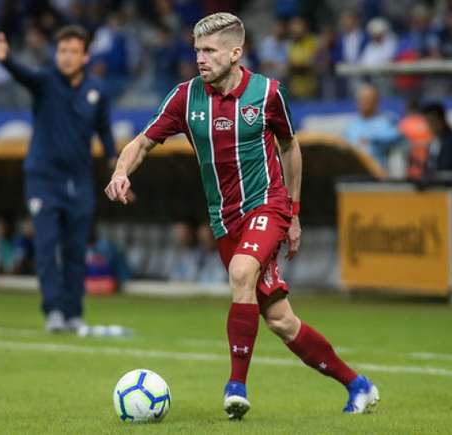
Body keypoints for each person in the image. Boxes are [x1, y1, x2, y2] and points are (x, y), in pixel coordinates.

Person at [105, 13, 379, 420]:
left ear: (236, 53)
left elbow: (290, 148)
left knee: (240, 272)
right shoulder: (185, 97)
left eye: (210, 51)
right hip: (224, 220)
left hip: (268, 205)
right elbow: (142, 143)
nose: (201, 59)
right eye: (197, 50)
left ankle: (236, 387)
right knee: (282, 320)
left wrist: (295, 212)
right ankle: (359, 385)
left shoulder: (268, 93)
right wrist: (121, 171)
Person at [0, 25, 117, 333]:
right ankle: (54, 311)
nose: (67, 57)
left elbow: (105, 132)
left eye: (73, 51)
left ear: (85, 56)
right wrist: (5, 59)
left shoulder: (97, 90)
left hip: (81, 180)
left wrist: (118, 166)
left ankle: (73, 313)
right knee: (46, 245)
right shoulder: (45, 82)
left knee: (75, 250)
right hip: (43, 179)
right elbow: (23, 75)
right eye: (62, 51)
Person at [344, 84, 401, 169]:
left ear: (376, 101)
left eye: (368, 99)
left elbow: (396, 136)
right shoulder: (351, 125)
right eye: (361, 99)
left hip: (376, 173)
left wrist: (371, 139)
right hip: (353, 171)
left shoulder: (385, 122)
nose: (364, 102)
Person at [421, 102, 452, 176]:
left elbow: (448, 167)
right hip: (434, 184)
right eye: (427, 121)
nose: (430, 125)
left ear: (442, 119)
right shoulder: (433, 142)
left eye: (433, 120)